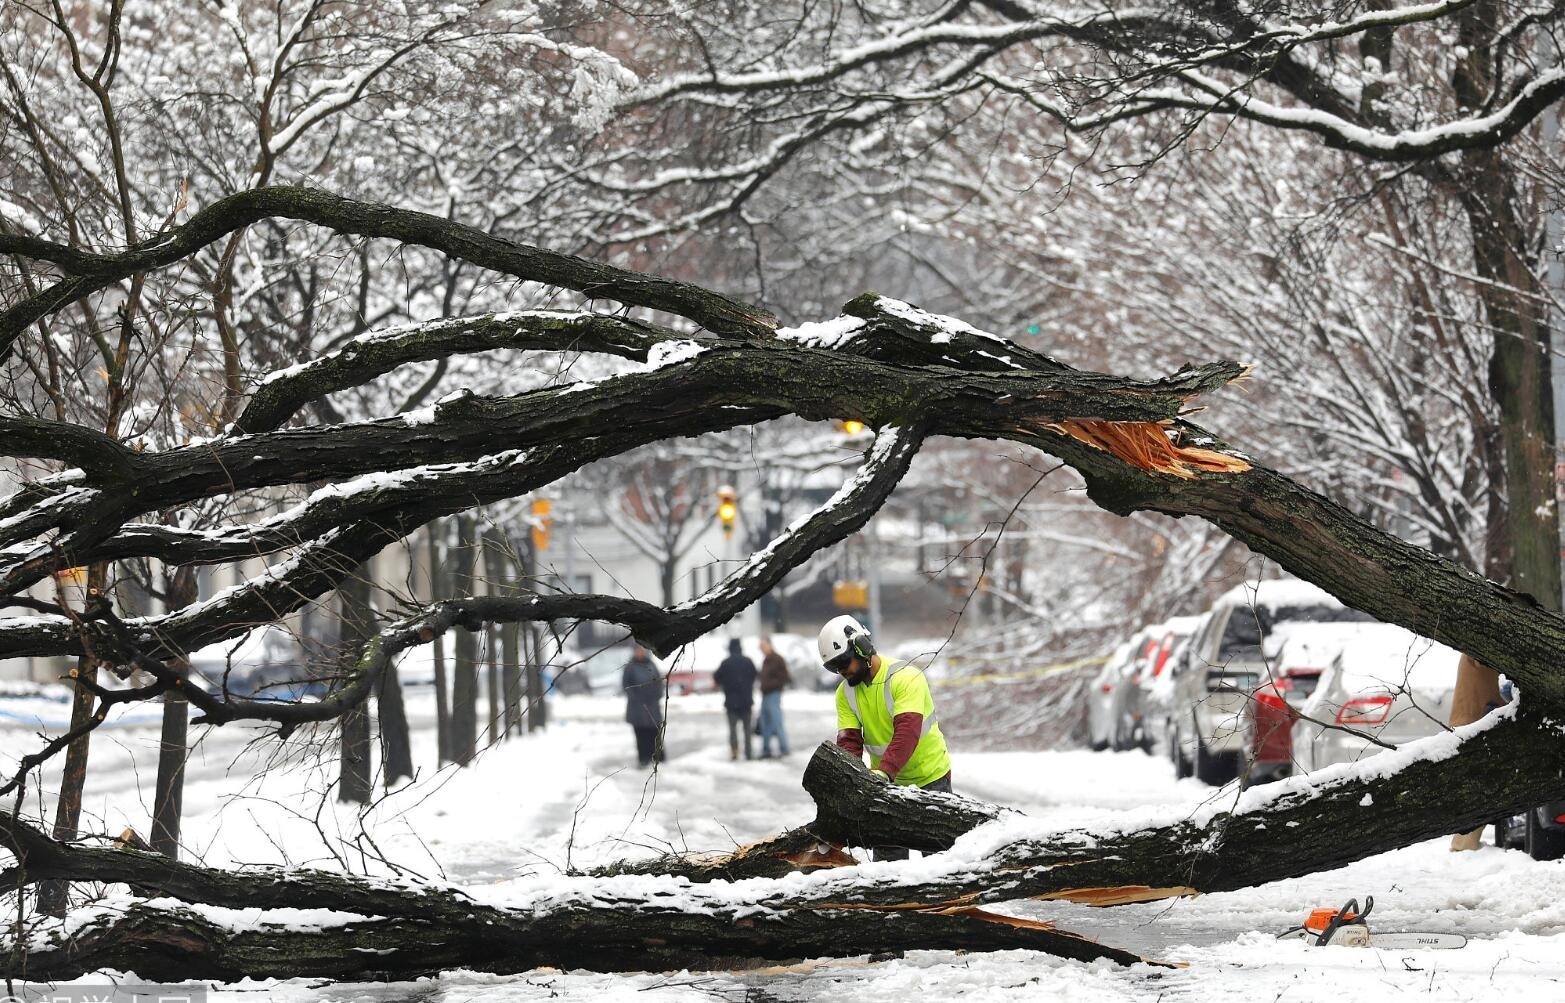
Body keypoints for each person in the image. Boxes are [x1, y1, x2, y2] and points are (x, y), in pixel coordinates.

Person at [819, 614, 952, 859]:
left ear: (862, 648)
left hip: (930, 778)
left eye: (844, 663)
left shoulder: (905, 677)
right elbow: (849, 741)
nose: (842, 672)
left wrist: (884, 772)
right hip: (885, 784)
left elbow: (907, 731)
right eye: (835, 667)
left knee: (939, 864)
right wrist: (850, 781)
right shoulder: (845, 694)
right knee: (888, 870)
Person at [713, 638, 757, 760]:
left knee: (733, 730)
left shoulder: (726, 663)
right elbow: (754, 675)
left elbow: (716, 677)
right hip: (746, 702)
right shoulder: (748, 661)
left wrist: (726, 682)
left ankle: (734, 752)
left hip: (731, 703)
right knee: (747, 729)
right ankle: (748, 752)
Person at [622, 642, 665, 767]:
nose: (640, 652)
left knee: (655, 734)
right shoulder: (630, 667)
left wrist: (655, 696)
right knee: (641, 736)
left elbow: (659, 684)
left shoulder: (651, 665)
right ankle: (644, 760)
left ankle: (659, 760)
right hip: (637, 708)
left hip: (652, 707)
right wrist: (638, 698)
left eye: (642, 650)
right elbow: (626, 686)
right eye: (637, 650)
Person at [757, 636, 792, 758]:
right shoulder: (766, 660)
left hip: (773, 694)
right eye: (760, 647)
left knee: (777, 722)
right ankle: (766, 749)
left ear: (770, 645)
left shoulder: (777, 659)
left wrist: (772, 685)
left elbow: (786, 677)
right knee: (764, 723)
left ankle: (784, 748)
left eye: (763, 646)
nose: (761, 649)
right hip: (765, 695)